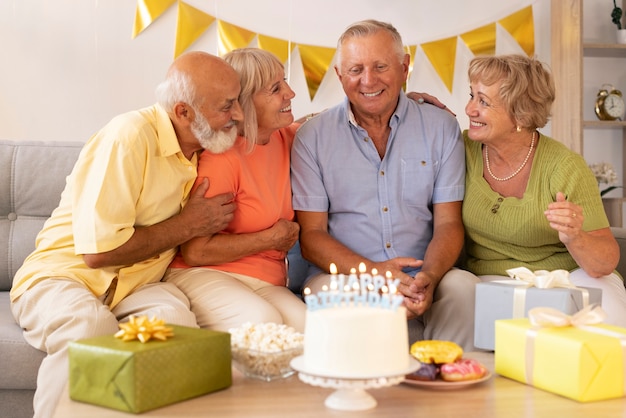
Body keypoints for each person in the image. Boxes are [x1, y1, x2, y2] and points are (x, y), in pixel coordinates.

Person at [9, 51, 243, 417]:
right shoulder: (129, 137)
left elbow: (271, 126)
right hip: (63, 277)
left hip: (137, 285)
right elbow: (98, 254)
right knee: (89, 325)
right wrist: (189, 224)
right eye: (227, 106)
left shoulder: (203, 143)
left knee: (177, 326)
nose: (238, 115)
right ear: (184, 112)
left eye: (238, 101)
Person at [290, 19, 481, 352]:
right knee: (329, 296)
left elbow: (448, 223)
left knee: (464, 288)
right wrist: (375, 274)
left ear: (405, 67)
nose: (368, 80)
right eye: (355, 69)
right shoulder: (313, 137)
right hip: (344, 277)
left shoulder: (441, 127)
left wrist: (429, 279)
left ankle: (449, 387)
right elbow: (312, 237)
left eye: (381, 67)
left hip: (425, 272)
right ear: (338, 75)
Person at [462, 54, 626, 326]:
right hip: (490, 280)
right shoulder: (462, 149)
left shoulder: (565, 166)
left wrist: (574, 236)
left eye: (483, 101)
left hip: (564, 277)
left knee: (605, 304)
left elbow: (603, 263)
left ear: (521, 114)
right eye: (471, 95)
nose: (469, 109)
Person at [165, 48, 307, 333]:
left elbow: (336, 121)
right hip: (203, 273)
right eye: (275, 88)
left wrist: (410, 102)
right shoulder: (222, 157)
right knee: (263, 323)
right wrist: (269, 238)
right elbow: (195, 252)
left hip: (266, 280)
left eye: (285, 82)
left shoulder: (287, 137)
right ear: (244, 102)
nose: (290, 93)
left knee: (313, 330)